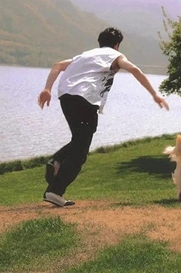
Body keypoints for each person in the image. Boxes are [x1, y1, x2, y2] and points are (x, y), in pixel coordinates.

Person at [37, 27, 169, 207]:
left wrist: (47, 89)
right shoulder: (115, 56)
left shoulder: (84, 56)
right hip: (85, 99)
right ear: (117, 45)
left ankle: (57, 161)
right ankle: (55, 190)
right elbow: (135, 70)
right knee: (81, 150)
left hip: (66, 97)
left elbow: (58, 66)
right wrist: (155, 94)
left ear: (100, 42)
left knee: (80, 139)